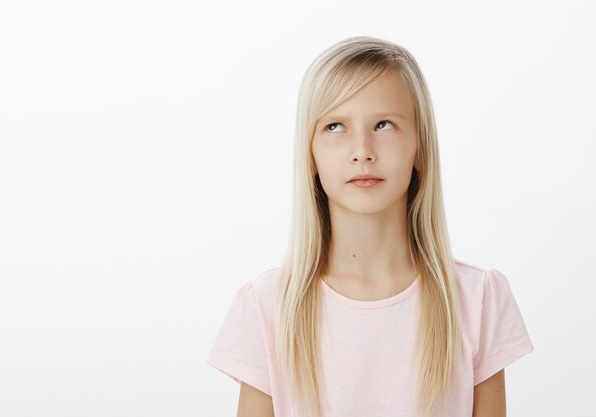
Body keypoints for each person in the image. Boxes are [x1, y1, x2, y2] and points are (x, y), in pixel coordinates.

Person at [205, 35, 534, 417]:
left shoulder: (479, 300)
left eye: (383, 124)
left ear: (420, 148)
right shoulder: (266, 306)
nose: (362, 150)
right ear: (310, 154)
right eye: (335, 127)